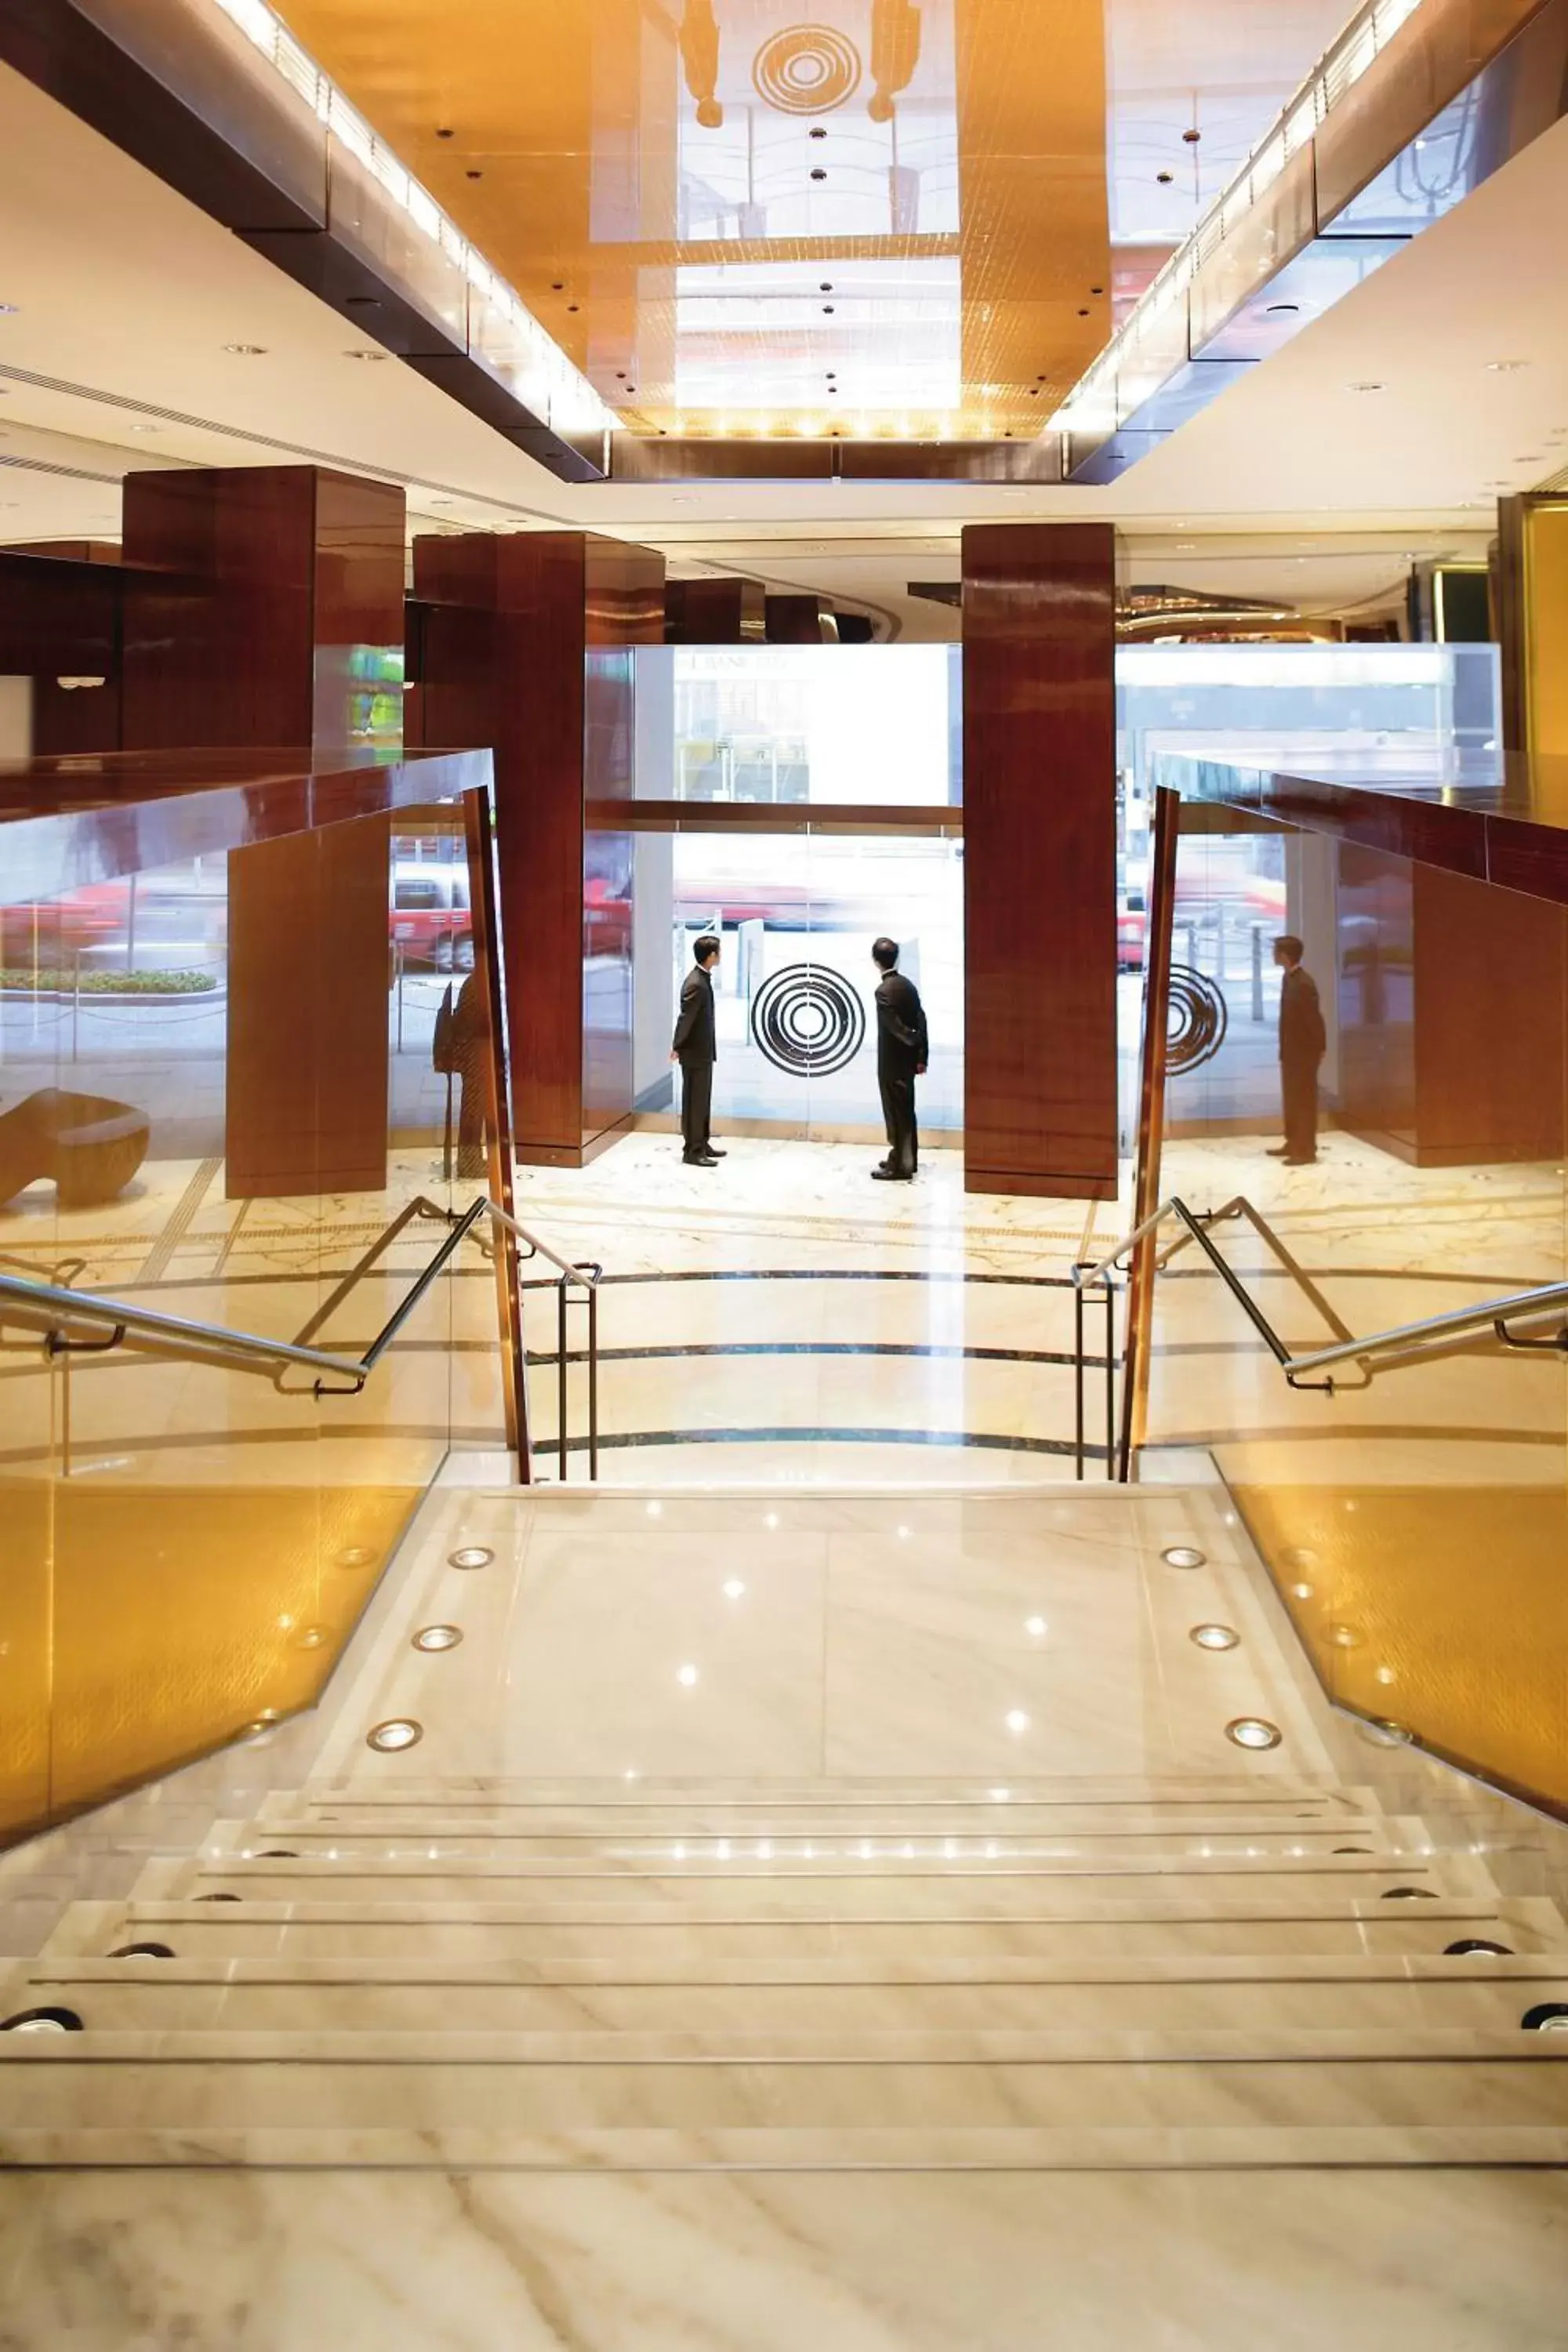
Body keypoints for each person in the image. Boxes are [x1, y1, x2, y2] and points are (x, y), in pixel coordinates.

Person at [870, 935, 927, 1181]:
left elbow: (896, 1028)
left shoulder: (883, 992)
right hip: (908, 1063)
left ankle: (900, 1165)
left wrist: (912, 1039)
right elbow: (921, 1020)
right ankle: (906, 1159)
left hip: (892, 1064)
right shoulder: (908, 986)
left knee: (896, 1113)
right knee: (906, 1111)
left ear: (876, 961)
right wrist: (921, 1054)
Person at [1271, 934, 1327, 1167]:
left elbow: (1314, 1019)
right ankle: (1293, 1141)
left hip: (1304, 1053)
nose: (1273, 955)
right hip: (1291, 1051)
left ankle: (1306, 1149)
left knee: (1304, 1100)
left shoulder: (1304, 983)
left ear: (1284, 955)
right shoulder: (1289, 979)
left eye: (1276, 952)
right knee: (1292, 1098)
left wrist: (1319, 1048)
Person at [671, 933, 726, 1168]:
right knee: (694, 1102)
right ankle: (692, 1151)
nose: (720, 956)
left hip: (702, 1051)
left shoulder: (702, 979)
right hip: (694, 1052)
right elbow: (686, 1018)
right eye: (718, 952)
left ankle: (702, 1143)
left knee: (702, 1100)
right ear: (711, 955)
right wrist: (678, 1046)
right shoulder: (695, 983)